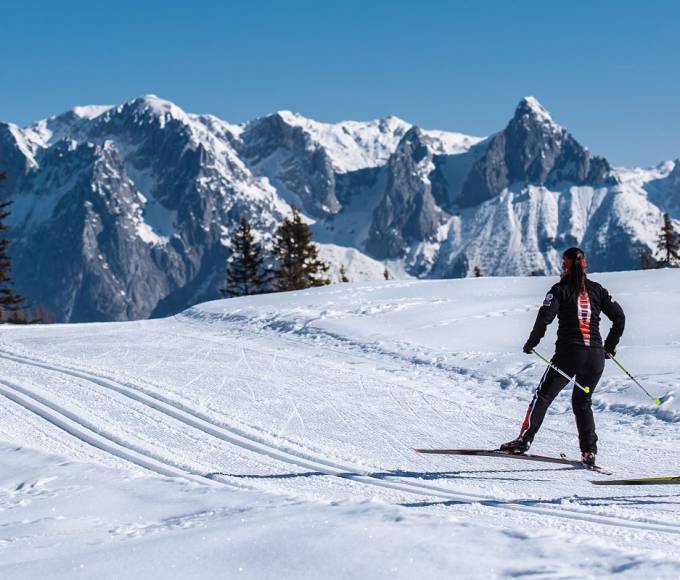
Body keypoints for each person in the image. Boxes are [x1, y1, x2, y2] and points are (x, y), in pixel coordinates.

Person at [501, 247, 625, 466]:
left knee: (544, 396)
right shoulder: (598, 290)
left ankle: (524, 440)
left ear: (565, 266)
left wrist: (532, 342)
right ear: (585, 264)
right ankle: (589, 451)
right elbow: (619, 317)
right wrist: (609, 346)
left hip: (569, 354)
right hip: (595, 358)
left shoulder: (559, 290)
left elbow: (544, 319)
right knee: (582, 401)